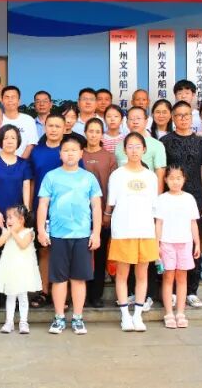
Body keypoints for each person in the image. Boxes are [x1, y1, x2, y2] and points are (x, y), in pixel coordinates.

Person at [37, 137, 102, 335]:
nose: (70, 153)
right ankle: (59, 318)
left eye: (74, 150)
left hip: (82, 235)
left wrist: (96, 232)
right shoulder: (51, 176)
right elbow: (43, 204)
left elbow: (96, 206)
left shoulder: (88, 178)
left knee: (79, 279)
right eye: (66, 150)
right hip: (58, 234)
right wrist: (41, 230)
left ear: (81, 153)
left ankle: (77, 318)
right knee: (59, 279)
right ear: (60, 154)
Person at [106, 132, 159, 332]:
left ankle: (137, 315)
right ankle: (125, 316)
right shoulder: (117, 175)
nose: (134, 150)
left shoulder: (150, 176)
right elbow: (111, 203)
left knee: (142, 274)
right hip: (123, 230)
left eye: (138, 147)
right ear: (124, 150)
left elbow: (154, 206)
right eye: (130, 147)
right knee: (122, 274)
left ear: (144, 149)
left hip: (145, 230)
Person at [160, 101, 202, 300]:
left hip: (195, 198)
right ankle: (171, 291)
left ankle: (191, 290)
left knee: (192, 241)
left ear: (192, 118)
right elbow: (162, 172)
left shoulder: (201, 142)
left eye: (187, 115)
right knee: (169, 242)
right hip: (171, 199)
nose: (183, 119)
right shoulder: (165, 141)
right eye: (179, 115)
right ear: (173, 118)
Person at [0, 124, 32, 310]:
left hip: (16, 220)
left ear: (18, 141)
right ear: (0, 140)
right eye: (6, 137)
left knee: (14, 258)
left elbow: (26, 188)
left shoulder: (24, 164)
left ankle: (13, 296)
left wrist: (24, 214)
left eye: (13, 138)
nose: (9, 141)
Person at [155, 165, 202, 329]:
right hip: (167, 242)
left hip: (185, 242)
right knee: (168, 277)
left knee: (182, 278)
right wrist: (157, 244)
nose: (175, 182)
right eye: (171, 178)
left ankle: (181, 313)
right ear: (165, 180)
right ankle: (168, 313)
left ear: (184, 179)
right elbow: (158, 223)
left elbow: (193, 223)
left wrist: (197, 243)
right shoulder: (162, 199)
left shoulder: (189, 198)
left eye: (178, 178)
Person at [81, 118, 117, 308]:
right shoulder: (78, 154)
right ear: (85, 133)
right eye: (90, 131)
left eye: (97, 131)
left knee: (100, 255)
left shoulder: (109, 157)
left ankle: (96, 295)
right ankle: (81, 293)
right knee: (81, 255)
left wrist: (107, 213)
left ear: (102, 135)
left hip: (102, 212)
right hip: (80, 215)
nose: (93, 135)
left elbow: (113, 188)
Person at [0, 205, 41, 334]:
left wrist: (13, 232)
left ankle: (23, 322)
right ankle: (9, 322)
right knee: (10, 296)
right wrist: (7, 233)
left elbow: (23, 245)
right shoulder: (7, 232)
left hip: (23, 270)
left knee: (22, 296)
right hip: (10, 269)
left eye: (11, 217)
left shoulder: (29, 232)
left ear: (21, 219)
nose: (8, 220)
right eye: (7, 217)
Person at [115, 107, 167, 190]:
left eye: (138, 118)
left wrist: (158, 196)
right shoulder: (119, 145)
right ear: (127, 123)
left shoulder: (157, 145)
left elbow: (160, 176)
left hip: (147, 192)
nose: (135, 122)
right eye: (131, 119)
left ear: (146, 121)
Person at [1, 86, 38, 158]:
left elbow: (31, 144)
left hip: (22, 162)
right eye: (7, 97)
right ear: (2, 101)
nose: (10, 100)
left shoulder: (28, 120)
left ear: (19, 101)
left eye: (13, 97)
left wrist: (20, 162)